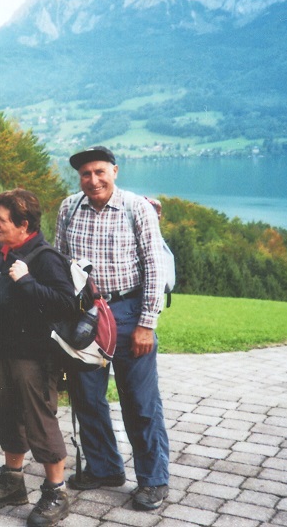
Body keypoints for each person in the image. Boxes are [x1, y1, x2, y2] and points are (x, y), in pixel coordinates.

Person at [54, 146, 171, 511]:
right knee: (87, 396)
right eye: (86, 174)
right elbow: (58, 262)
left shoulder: (137, 208)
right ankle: (105, 468)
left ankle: (153, 480)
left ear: (115, 171)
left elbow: (155, 268)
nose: (93, 180)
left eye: (100, 172)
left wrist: (146, 325)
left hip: (128, 310)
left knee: (139, 400)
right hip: (84, 314)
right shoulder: (68, 207)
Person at [0, 189, 75, 527]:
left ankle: (56, 492)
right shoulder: (8, 252)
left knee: (39, 420)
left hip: (33, 357)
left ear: (24, 224)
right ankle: (13, 482)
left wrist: (28, 281)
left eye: (1, 220)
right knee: (7, 416)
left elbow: (64, 303)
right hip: (1, 351)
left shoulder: (45, 258)